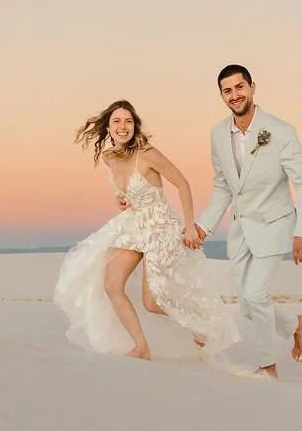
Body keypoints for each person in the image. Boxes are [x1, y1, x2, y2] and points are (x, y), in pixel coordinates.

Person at [54, 100, 239, 361]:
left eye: (128, 121)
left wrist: (188, 226)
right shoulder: (109, 158)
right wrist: (123, 200)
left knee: (152, 302)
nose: (123, 126)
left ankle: (201, 325)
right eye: (117, 121)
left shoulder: (147, 153)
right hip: (133, 225)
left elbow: (182, 183)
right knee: (111, 284)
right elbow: (128, 192)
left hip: (160, 228)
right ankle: (141, 347)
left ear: (135, 125)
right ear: (108, 127)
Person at [193, 65, 302, 378]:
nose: (235, 95)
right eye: (227, 90)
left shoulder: (280, 130)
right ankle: (294, 324)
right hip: (240, 229)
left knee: (256, 296)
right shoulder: (218, 134)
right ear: (221, 95)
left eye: (239, 87)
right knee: (248, 305)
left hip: (275, 224)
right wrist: (203, 226)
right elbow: (223, 185)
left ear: (252, 87)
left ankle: (268, 366)